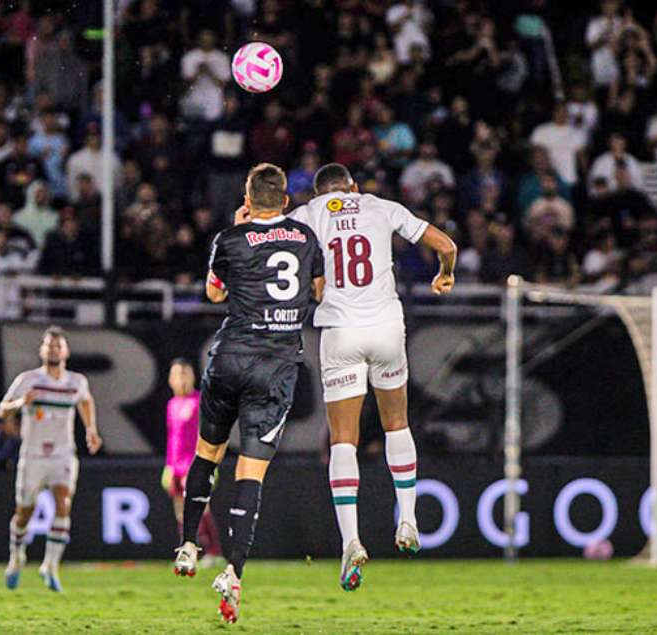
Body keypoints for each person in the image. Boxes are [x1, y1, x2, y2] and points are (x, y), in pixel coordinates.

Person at [288, 163, 456, 591]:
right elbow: (444, 244)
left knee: (343, 439)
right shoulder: (380, 206)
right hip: (385, 327)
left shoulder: (309, 214)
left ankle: (351, 541)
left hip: (340, 331)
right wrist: (445, 272)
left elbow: (273, 241)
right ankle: (409, 520)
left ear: (319, 192)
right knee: (396, 424)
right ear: (354, 188)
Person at [172, 164, 325, 623]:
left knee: (206, 454)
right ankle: (233, 572)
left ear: (247, 197)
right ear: (284, 200)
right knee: (250, 473)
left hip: (229, 357)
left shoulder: (230, 240)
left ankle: (186, 545)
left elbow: (214, 295)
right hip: (275, 366)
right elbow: (316, 290)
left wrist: (241, 233)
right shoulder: (304, 238)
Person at [0, 326, 101, 593]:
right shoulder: (28, 379)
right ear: (42, 350)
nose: (53, 350)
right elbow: (2, 410)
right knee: (24, 512)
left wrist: (91, 429)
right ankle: (17, 556)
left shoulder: (75, 381)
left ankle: (50, 566)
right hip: (32, 455)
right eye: (49, 345)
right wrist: (21, 403)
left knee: (63, 502)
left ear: (65, 351)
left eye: (58, 346)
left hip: (62, 453)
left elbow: (85, 401)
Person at [162, 359, 221, 567]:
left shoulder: (199, 402)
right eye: (177, 374)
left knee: (200, 507)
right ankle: (188, 552)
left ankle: (213, 551)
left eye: (185, 374)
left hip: (194, 463)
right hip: (175, 465)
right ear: (170, 379)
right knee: (180, 511)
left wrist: (208, 463)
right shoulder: (172, 404)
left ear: (193, 376)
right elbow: (172, 437)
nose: (181, 379)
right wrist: (169, 465)